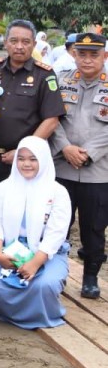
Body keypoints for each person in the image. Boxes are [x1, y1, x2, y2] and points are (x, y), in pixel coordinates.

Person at [0, 19, 64, 275]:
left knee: (25, 213)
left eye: (25, 42)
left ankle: (28, 263)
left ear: (34, 44)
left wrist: (24, 152)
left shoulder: (44, 75)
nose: (19, 46)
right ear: (6, 42)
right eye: (14, 41)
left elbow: (52, 119)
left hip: (27, 163)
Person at [0, 136, 71, 329]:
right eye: (21, 158)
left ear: (44, 160)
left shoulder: (58, 192)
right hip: (10, 248)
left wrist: (35, 263)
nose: (26, 164)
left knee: (45, 285)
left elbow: (56, 232)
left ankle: (43, 315)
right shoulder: (5, 187)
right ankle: (7, 314)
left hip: (45, 251)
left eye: (33, 159)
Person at [51, 32, 108, 298]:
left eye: (93, 54)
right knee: (57, 224)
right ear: (73, 55)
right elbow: (52, 118)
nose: (87, 60)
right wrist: (65, 147)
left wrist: (89, 153)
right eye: (81, 54)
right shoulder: (61, 82)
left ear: (104, 56)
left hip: (98, 171)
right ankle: (56, 273)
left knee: (94, 227)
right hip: (63, 167)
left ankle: (90, 277)